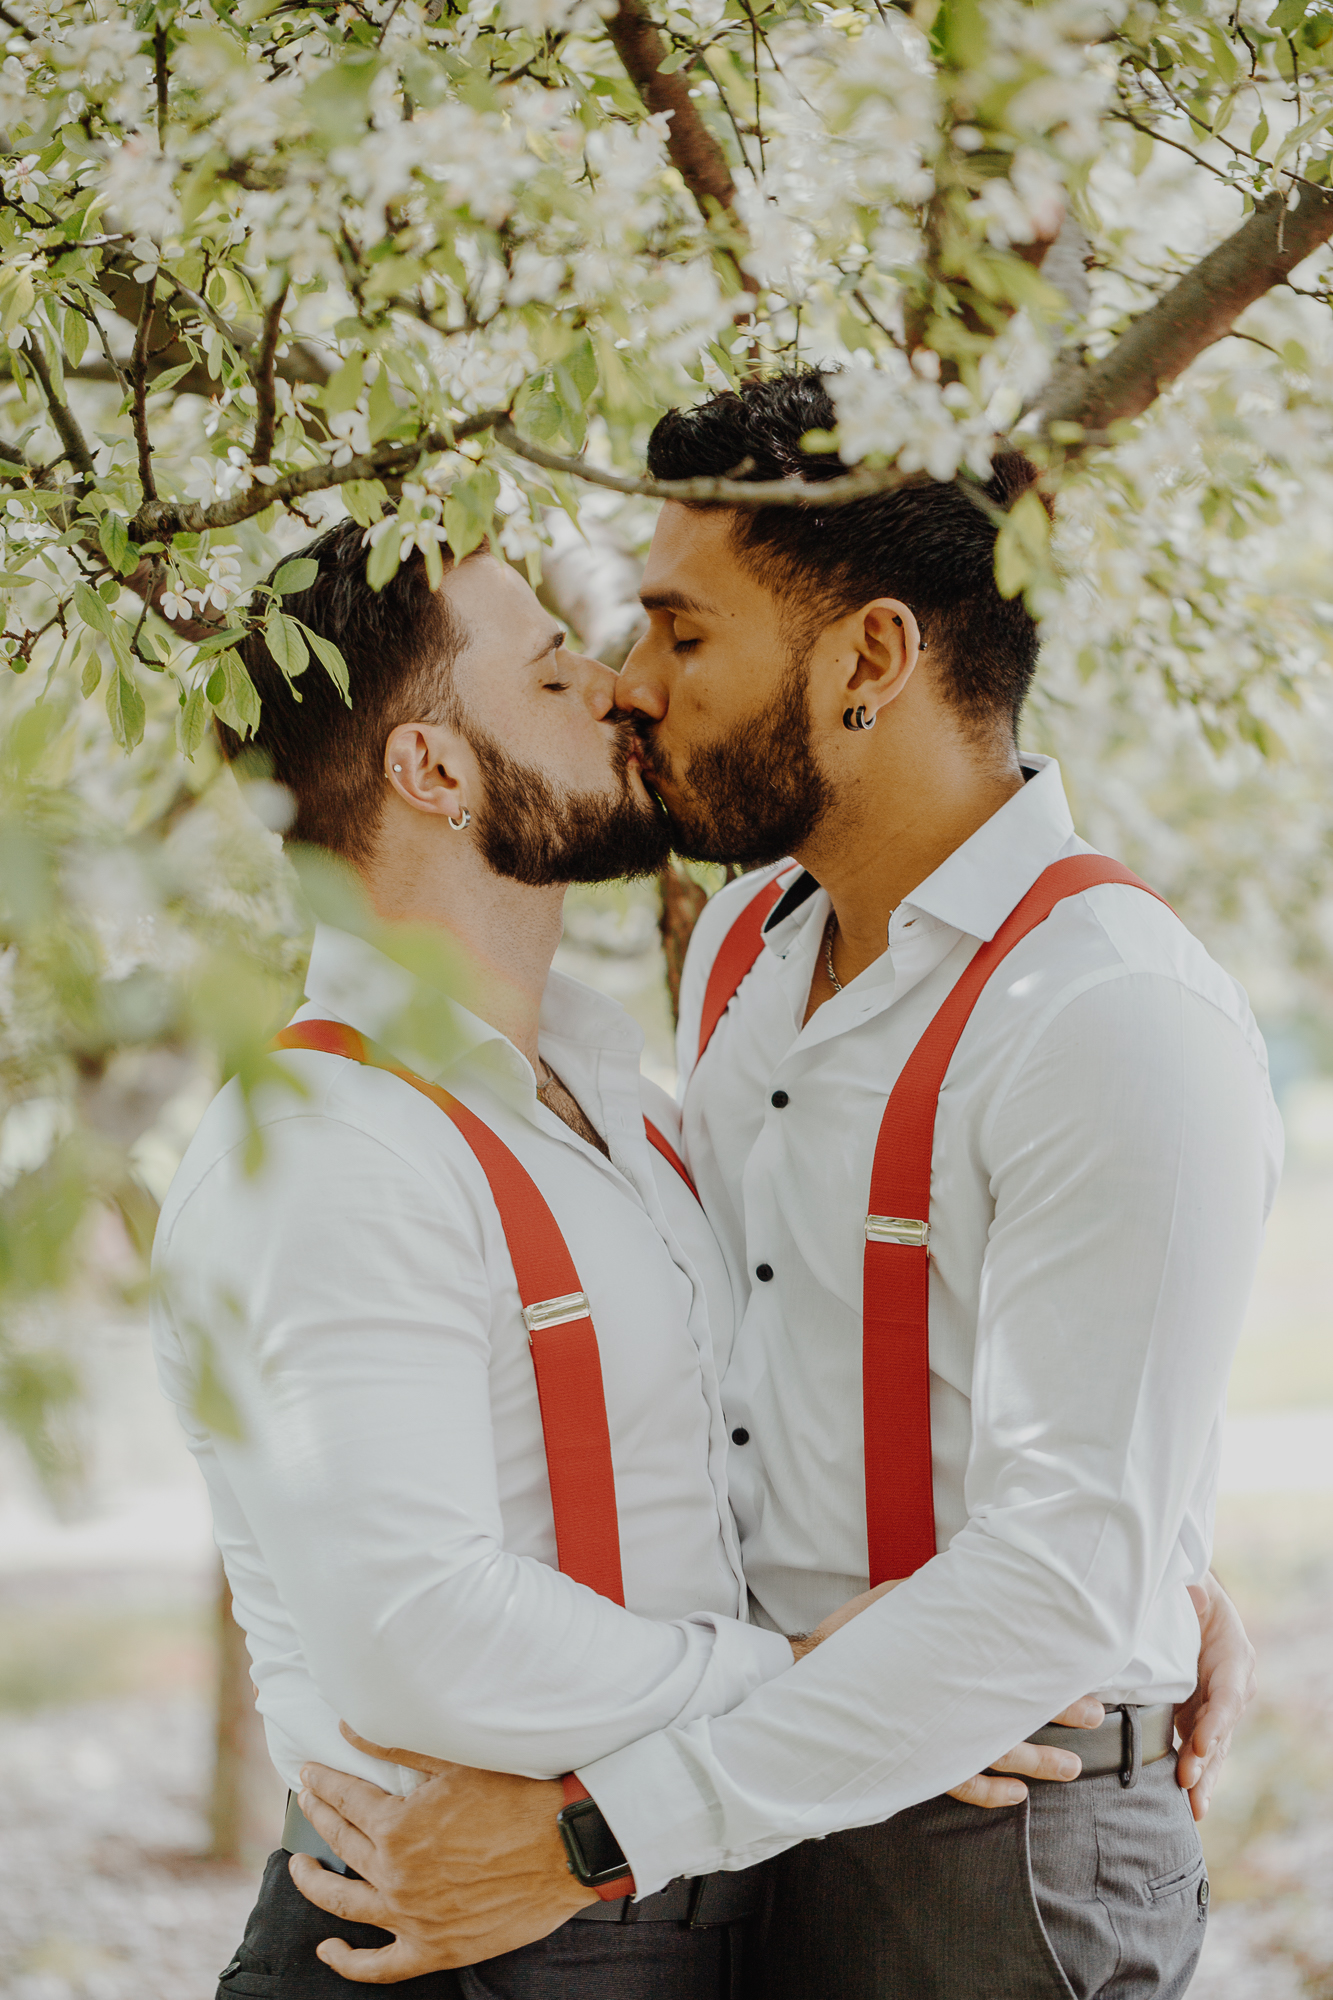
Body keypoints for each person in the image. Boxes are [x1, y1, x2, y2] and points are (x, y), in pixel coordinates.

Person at [290, 373, 1277, 2000]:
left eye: (682, 636)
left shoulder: (1111, 1016)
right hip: (749, 1801)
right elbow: (743, 1352)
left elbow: (1055, 1569)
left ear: (869, 662)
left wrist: (590, 1838)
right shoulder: (745, 951)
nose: (629, 685)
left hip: (983, 1839)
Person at [151, 519, 1087, 2000]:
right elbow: (420, 1636)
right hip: (440, 1940)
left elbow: (793, 1399)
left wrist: (1132, 1557)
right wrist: (805, 1684)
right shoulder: (330, 1152)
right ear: (435, 771)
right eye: (549, 674)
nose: (617, 690)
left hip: (664, 1919)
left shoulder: (630, 1117)